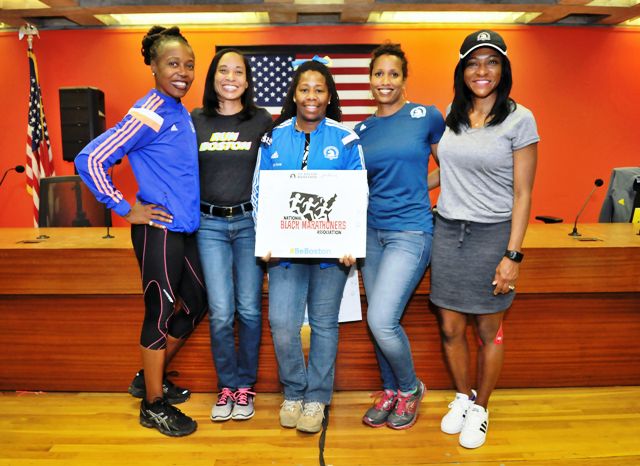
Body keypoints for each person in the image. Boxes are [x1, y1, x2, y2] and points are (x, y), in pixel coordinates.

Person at [75, 26, 207, 437]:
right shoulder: (149, 110)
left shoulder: (179, 110)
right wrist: (124, 207)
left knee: (197, 304)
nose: (182, 72)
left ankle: (149, 378)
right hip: (158, 231)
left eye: (189, 65)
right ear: (153, 66)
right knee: (160, 313)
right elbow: (90, 158)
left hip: (184, 230)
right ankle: (152, 405)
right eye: (172, 64)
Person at [430, 30, 539, 449]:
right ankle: (463, 397)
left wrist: (513, 255)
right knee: (450, 326)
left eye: (491, 61)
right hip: (447, 231)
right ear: (462, 70)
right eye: (474, 62)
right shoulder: (452, 114)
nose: (482, 70)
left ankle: (481, 408)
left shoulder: (519, 119)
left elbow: (523, 193)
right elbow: (449, 170)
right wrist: (407, 189)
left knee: (488, 329)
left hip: (492, 234)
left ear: (503, 69)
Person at [251, 58, 365, 434]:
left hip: (331, 252)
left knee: (323, 324)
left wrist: (351, 241)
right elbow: (258, 191)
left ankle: (316, 397)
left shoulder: (346, 139)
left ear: (329, 95)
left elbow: (358, 192)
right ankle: (294, 391)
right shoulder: (273, 138)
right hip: (284, 251)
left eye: (319, 89)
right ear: (295, 95)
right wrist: (266, 236)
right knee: (282, 324)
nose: (311, 96)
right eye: (304, 89)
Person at [353, 43, 445, 430]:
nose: (385, 81)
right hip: (371, 233)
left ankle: (409, 389)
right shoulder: (361, 131)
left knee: (382, 319)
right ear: (370, 80)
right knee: (377, 321)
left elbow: (451, 167)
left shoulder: (426, 117)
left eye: (393, 73)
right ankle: (390, 390)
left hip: (410, 231)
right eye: (379, 74)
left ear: (404, 79)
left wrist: (420, 188)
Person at [191, 49, 272, 422]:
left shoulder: (260, 120)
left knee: (250, 309)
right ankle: (226, 385)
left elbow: (277, 170)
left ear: (247, 79)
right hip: (209, 225)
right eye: (223, 70)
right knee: (222, 312)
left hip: (249, 223)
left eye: (238, 71)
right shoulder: (196, 119)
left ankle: (245, 386)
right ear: (213, 77)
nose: (231, 77)